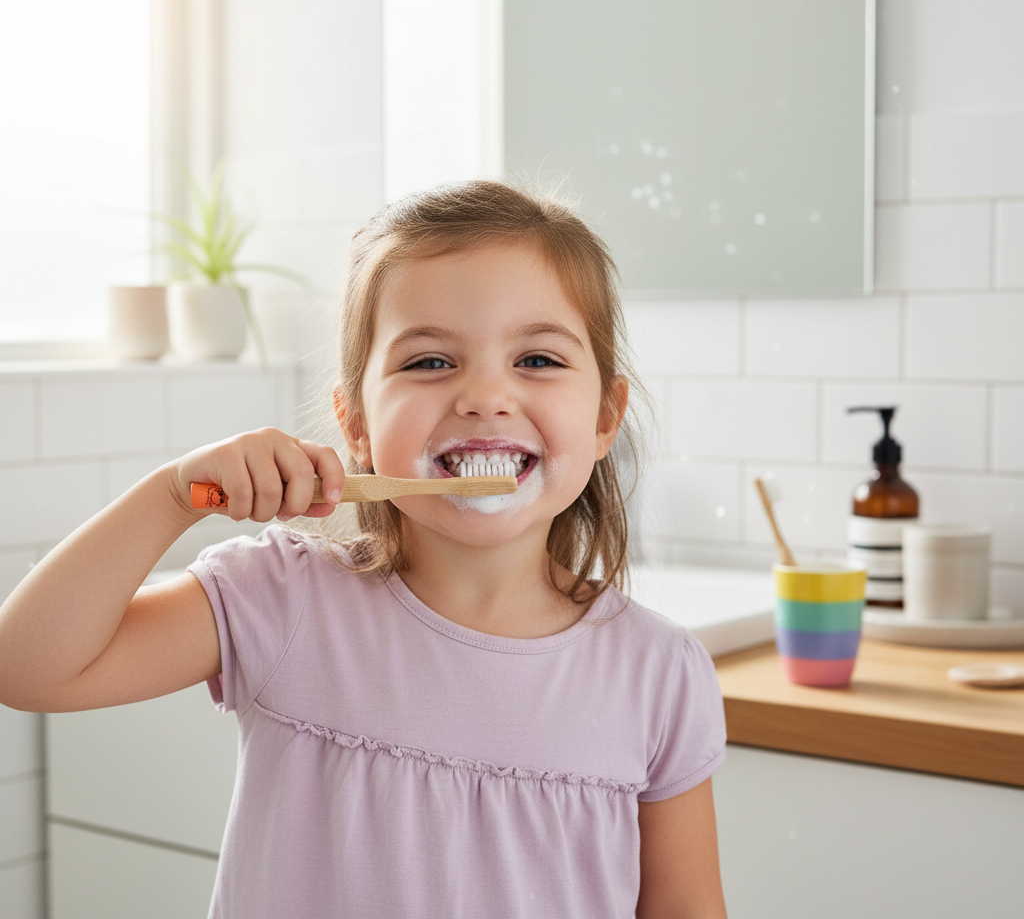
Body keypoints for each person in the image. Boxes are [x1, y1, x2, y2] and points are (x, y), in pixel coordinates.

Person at [0, 180, 728, 918]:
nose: (485, 396)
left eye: (537, 359)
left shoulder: (660, 673)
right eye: (430, 362)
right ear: (356, 425)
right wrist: (170, 497)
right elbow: (24, 669)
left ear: (606, 417)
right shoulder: (280, 598)